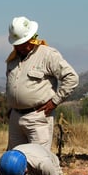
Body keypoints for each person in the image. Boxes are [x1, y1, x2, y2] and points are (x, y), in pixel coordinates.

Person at [5, 16, 79, 150]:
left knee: (38, 159)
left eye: (23, 43)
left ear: (32, 38)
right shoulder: (12, 59)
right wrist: (11, 107)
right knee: (14, 161)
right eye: (17, 44)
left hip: (38, 117)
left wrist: (54, 101)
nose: (20, 47)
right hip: (15, 118)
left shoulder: (48, 55)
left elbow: (71, 78)